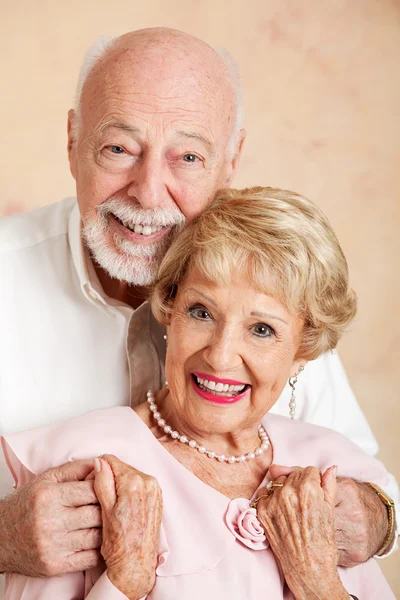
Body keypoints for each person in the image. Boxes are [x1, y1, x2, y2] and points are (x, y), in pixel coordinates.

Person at [0, 28, 397, 581]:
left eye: (187, 156)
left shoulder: (273, 283)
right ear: (72, 140)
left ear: (230, 159)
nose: (148, 191)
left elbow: (369, 481)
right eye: (119, 148)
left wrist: (373, 519)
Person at [2, 187, 395, 599]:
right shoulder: (85, 466)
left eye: (262, 330)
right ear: (168, 310)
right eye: (201, 312)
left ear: (304, 352)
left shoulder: (335, 474)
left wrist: (320, 587)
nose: (221, 357)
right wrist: (123, 586)